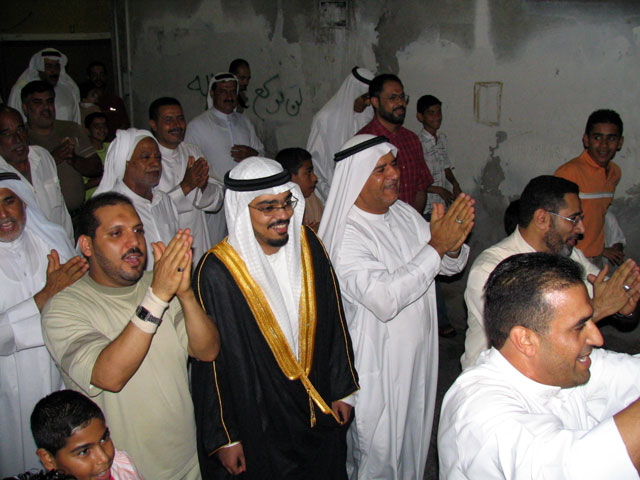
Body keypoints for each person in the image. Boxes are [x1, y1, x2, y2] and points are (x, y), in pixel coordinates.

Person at [191, 157, 359, 479]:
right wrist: (225, 436)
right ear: (241, 211)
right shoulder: (216, 273)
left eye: (286, 202)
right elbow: (209, 364)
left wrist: (343, 388)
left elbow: (335, 319)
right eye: (268, 207)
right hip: (259, 416)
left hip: (317, 402)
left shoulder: (309, 245)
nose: (283, 215)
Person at [318, 134, 474, 479]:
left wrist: (450, 245)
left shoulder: (403, 213)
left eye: (394, 164)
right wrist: (437, 246)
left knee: (413, 445)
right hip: (376, 368)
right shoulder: (347, 235)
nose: (394, 174)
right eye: (380, 169)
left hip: (419, 359)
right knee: (378, 457)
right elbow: (384, 299)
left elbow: (444, 267)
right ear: (356, 178)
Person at [42, 192, 220, 480]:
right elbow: (109, 376)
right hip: (123, 470)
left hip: (189, 463)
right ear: (87, 245)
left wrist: (186, 294)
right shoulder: (64, 307)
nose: (134, 242)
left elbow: (207, 350)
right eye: (116, 233)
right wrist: (158, 297)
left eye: (138, 230)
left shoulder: (159, 284)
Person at [439, 252, 640, 479]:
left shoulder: (564, 366)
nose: (598, 338)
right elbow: (570, 469)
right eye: (579, 327)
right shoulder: (478, 410)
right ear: (526, 340)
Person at [461, 175, 640, 370]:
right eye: (573, 219)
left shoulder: (571, 256)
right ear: (542, 219)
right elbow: (528, 344)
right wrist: (599, 309)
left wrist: (624, 305)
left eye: (581, 219)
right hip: (501, 380)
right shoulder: (490, 268)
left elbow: (609, 294)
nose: (581, 229)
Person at [0, 172, 87, 477]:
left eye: (9, 201)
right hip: (8, 388)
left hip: (59, 373)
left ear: (24, 202)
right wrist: (43, 298)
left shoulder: (53, 242)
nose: (3, 214)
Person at [185, 72, 264, 243]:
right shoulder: (197, 126)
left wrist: (253, 154)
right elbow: (189, 165)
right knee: (214, 247)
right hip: (214, 205)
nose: (229, 96)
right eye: (223, 91)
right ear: (212, 94)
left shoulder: (245, 123)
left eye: (232, 91)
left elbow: (262, 155)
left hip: (245, 201)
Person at [149, 97, 224, 265]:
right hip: (166, 246)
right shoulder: (148, 159)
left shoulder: (193, 151)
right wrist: (186, 186)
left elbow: (218, 198)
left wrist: (203, 187)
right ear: (153, 125)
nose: (177, 125)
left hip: (198, 241)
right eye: (169, 120)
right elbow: (152, 211)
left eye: (180, 118)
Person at [93, 128, 179, 270]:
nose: (155, 163)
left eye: (158, 157)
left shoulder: (165, 200)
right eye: (146, 157)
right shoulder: (110, 207)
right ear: (125, 163)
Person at [416, 94, 463, 338]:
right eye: (431, 113)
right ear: (420, 117)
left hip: (441, 208)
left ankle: (437, 318)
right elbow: (419, 179)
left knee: (443, 261)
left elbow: (446, 168)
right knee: (431, 263)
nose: (436, 117)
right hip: (427, 208)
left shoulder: (440, 140)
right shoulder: (418, 143)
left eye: (438, 112)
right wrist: (439, 190)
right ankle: (439, 320)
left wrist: (454, 184)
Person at [22, 81, 102, 214]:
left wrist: (74, 160)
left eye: (49, 101)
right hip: (43, 217)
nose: (46, 107)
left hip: (78, 214)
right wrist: (52, 159)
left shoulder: (71, 128)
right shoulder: (21, 137)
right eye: (38, 102)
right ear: (25, 108)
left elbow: (97, 168)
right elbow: (21, 180)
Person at [555, 109, 624, 264]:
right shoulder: (569, 173)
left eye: (611, 138)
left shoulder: (614, 173)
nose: (604, 145)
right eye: (597, 137)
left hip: (595, 258)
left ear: (620, 142)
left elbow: (599, 215)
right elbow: (555, 222)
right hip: (571, 258)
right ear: (586, 140)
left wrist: (602, 249)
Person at [357, 74, 433, 213]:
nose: (400, 103)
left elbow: (420, 188)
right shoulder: (364, 142)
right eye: (393, 98)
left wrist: (413, 221)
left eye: (402, 97)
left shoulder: (412, 139)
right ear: (375, 102)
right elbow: (361, 196)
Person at [31, 390, 143, 480]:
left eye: (103, 439)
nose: (104, 458)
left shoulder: (122, 465)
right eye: (84, 451)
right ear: (48, 460)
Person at [0, 105, 73, 240]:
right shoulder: (2, 177)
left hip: (62, 246)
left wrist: (69, 247)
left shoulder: (42, 156)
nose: (17, 139)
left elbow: (62, 213)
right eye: (7, 134)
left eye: (20, 130)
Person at [306, 67, 374, 201]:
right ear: (353, 93)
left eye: (369, 98)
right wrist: (334, 199)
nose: (367, 103)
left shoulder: (367, 116)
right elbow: (316, 165)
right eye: (364, 97)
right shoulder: (325, 119)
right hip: (332, 193)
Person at [8, 48, 81, 124]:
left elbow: (76, 121)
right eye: (49, 66)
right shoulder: (20, 90)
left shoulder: (68, 89)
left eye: (57, 66)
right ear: (40, 67)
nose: (53, 71)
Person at [275, 147, 323, 231]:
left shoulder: (310, 198)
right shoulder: (277, 209)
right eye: (308, 172)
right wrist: (307, 236)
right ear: (289, 177)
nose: (315, 178)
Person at [87, 62, 130, 140]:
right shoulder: (84, 102)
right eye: (94, 75)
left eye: (101, 74)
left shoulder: (115, 100)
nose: (98, 78)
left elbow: (124, 124)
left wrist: (114, 140)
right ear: (88, 77)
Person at [83, 112, 109, 199]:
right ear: (88, 130)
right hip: (92, 200)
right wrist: (106, 176)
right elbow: (81, 186)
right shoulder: (83, 152)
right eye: (97, 126)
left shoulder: (112, 147)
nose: (102, 129)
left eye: (104, 126)